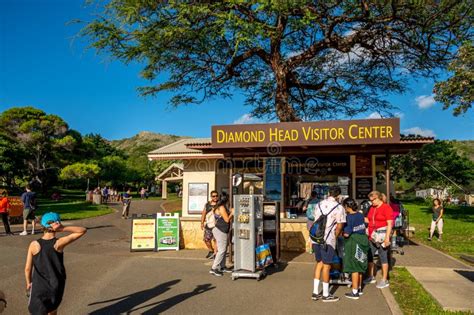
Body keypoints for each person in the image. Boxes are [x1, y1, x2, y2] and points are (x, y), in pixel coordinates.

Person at [25, 212, 86, 315]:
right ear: (57, 224)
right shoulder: (58, 243)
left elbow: (27, 269)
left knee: (37, 310)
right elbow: (82, 230)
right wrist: (63, 228)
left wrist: (28, 283)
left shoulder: (33, 245)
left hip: (39, 286)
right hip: (56, 284)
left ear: (43, 225)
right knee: (52, 310)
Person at [311, 186, 346, 302]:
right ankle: (326, 294)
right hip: (328, 240)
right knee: (327, 266)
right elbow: (340, 225)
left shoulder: (319, 204)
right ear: (338, 195)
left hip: (316, 238)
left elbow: (314, 218)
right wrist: (335, 236)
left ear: (328, 193)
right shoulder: (339, 207)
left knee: (319, 263)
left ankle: (315, 292)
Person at [365, 190, 393, 289]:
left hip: (382, 236)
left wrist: (387, 238)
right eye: (370, 200)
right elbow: (368, 219)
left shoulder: (386, 208)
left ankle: (384, 279)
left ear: (378, 198)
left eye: (373, 200)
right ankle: (371, 276)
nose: (371, 202)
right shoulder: (372, 208)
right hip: (372, 236)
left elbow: (390, 224)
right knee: (370, 256)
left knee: (383, 257)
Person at [342, 198, 369, 299]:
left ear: (347, 207)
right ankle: (359, 288)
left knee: (354, 267)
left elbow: (346, 233)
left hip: (354, 241)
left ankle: (354, 292)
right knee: (360, 263)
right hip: (363, 239)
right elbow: (365, 223)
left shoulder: (349, 217)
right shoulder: (360, 214)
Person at [209, 194, 233, 277]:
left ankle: (222, 267)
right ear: (226, 200)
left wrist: (230, 211)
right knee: (222, 250)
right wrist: (232, 213)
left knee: (223, 249)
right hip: (220, 230)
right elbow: (226, 220)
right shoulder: (221, 207)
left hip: (221, 230)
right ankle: (214, 268)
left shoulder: (220, 207)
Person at [201, 191, 218, 259]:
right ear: (211, 197)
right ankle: (211, 251)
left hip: (217, 225)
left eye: (216, 196)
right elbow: (203, 213)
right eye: (213, 196)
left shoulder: (220, 204)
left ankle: (216, 253)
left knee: (216, 240)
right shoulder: (207, 204)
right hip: (209, 225)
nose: (215, 197)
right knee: (206, 239)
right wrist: (202, 223)